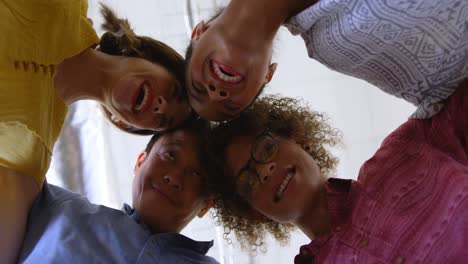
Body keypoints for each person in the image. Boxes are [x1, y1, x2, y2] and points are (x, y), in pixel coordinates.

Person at [0, 2, 191, 262]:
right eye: (172, 91)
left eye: (162, 121)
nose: (160, 106)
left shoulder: (30, 153)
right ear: (145, 55)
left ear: (122, 122)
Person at [207, 81, 468, 262]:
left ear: (300, 139)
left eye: (265, 149)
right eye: (247, 182)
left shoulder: (404, 152)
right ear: (257, 214)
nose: (264, 171)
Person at [185, 0, 468, 121]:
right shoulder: (335, 42)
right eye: (229, 104)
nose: (216, 92)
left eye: (199, 88)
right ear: (267, 76)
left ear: (200, 32)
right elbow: (444, 88)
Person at [17, 118, 219, 263]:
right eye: (170, 154)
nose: (174, 177)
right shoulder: (57, 208)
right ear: (140, 162)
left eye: (197, 174)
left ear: (206, 206)